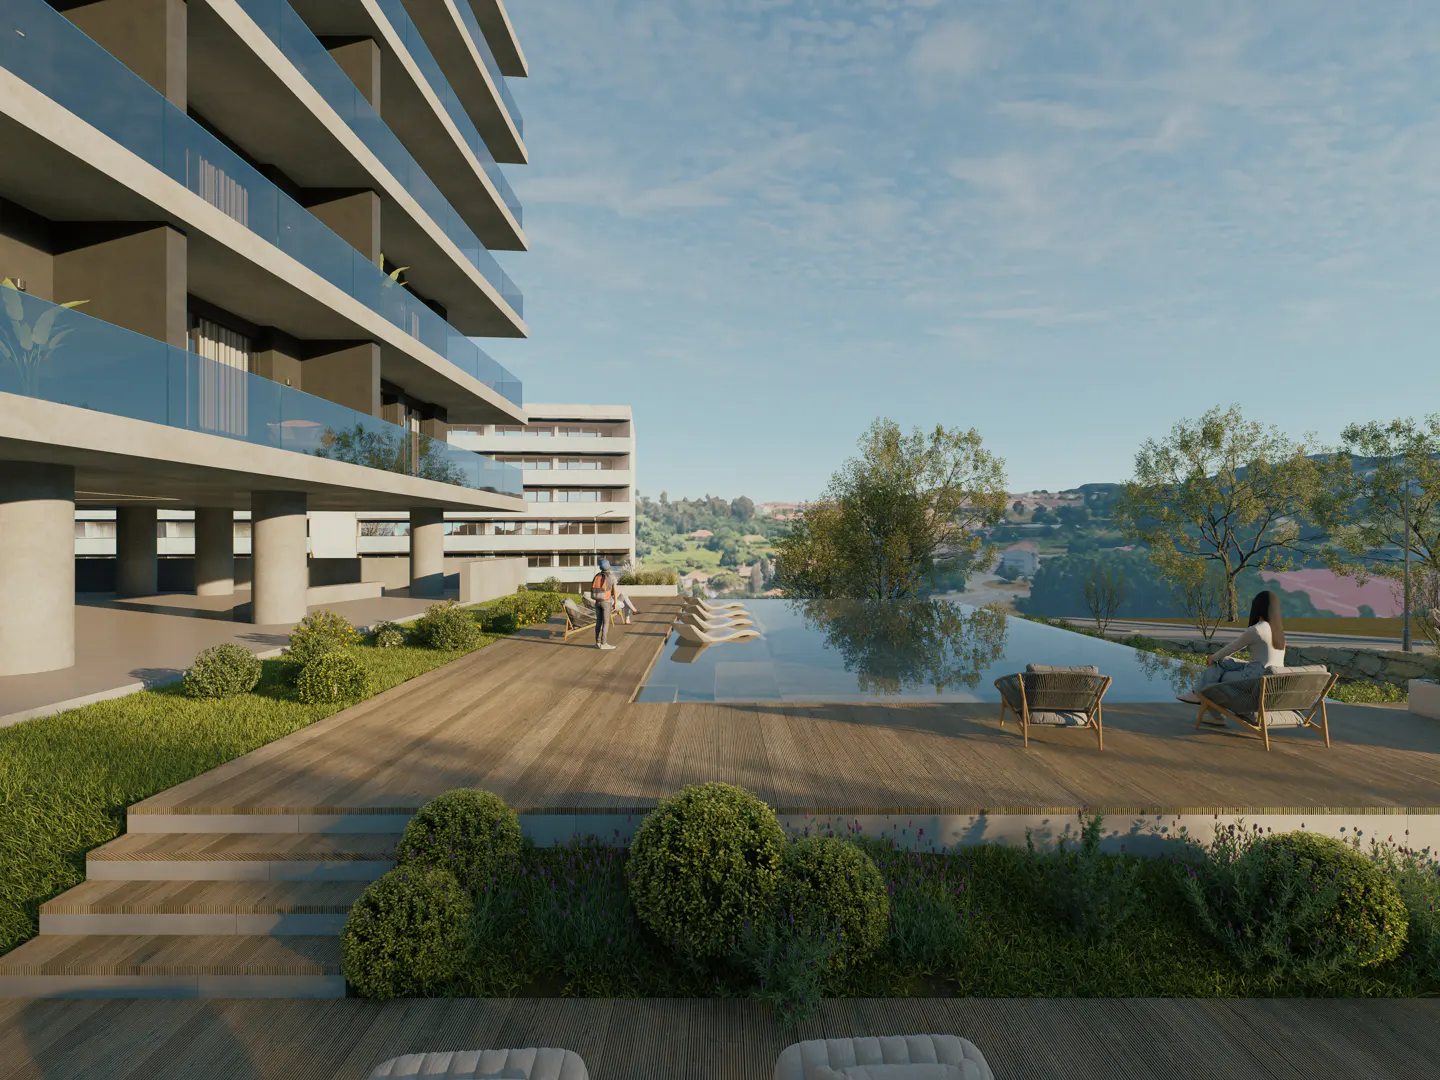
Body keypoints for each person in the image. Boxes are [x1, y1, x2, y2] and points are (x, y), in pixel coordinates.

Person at [1177, 590, 1287, 718]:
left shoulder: (1257, 630)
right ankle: (1201, 698)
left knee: (1219, 677)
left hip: (1255, 679)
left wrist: (1213, 657)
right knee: (1224, 662)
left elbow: (1234, 646)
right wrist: (1217, 658)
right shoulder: (1279, 632)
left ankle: (1205, 703)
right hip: (1270, 678)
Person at [589, 558, 619, 650]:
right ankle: (604, 643)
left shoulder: (597, 576)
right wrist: (615, 602)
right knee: (606, 623)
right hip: (606, 602)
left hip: (597, 601)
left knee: (598, 622)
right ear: (608, 567)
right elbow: (614, 590)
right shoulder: (611, 576)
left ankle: (597, 642)